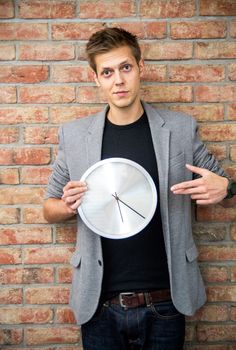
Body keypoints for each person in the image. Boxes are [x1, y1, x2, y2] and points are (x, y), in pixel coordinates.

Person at [43, 27, 235, 350]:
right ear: (96, 79)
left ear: (140, 67)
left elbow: (222, 191)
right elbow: (49, 206)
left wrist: (227, 188)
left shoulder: (180, 129)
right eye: (107, 72)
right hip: (100, 306)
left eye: (125, 68)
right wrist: (66, 206)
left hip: (165, 302)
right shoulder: (74, 136)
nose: (118, 80)